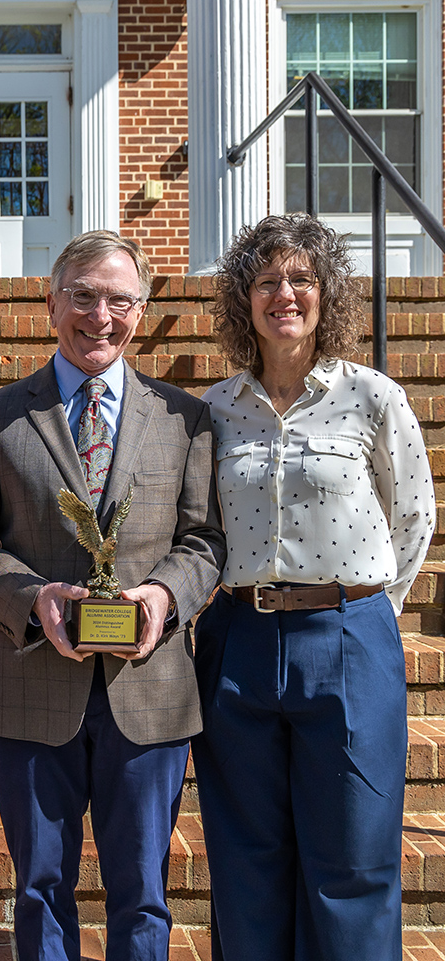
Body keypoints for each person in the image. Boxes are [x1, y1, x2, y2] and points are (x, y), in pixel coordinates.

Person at [0, 230, 225, 961]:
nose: (101, 315)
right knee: (38, 887)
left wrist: (163, 596)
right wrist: (32, 597)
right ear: (50, 303)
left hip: (148, 686)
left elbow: (204, 541)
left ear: (143, 309)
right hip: (32, 684)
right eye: (84, 296)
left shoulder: (183, 419)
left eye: (121, 300)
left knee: (143, 890)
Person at [192, 213, 436, 961]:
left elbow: (414, 516)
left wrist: (368, 616)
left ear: (328, 295)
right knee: (247, 859)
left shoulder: (373, 397)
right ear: (244, 300)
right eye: (267, 281)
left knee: (353, 860)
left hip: (348, 640)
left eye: (301, 279)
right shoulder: (216, 408)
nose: (284, 294)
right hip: (237, 641)